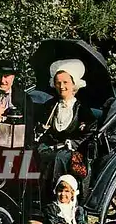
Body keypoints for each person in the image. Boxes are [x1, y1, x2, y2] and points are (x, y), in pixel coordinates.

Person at [37, 59, 97, 202]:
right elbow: (40, 125)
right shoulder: (50, 106)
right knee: (35, 152)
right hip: (52, 146)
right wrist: (41, 129)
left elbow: (91, 129)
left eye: (65, 82)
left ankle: (55, 199)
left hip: (74, 151)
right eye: (58, 83)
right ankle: (36, 196)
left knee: (59, 158)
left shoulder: (82, 109)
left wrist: (73, 142)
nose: (61, 86)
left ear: (73, 84)